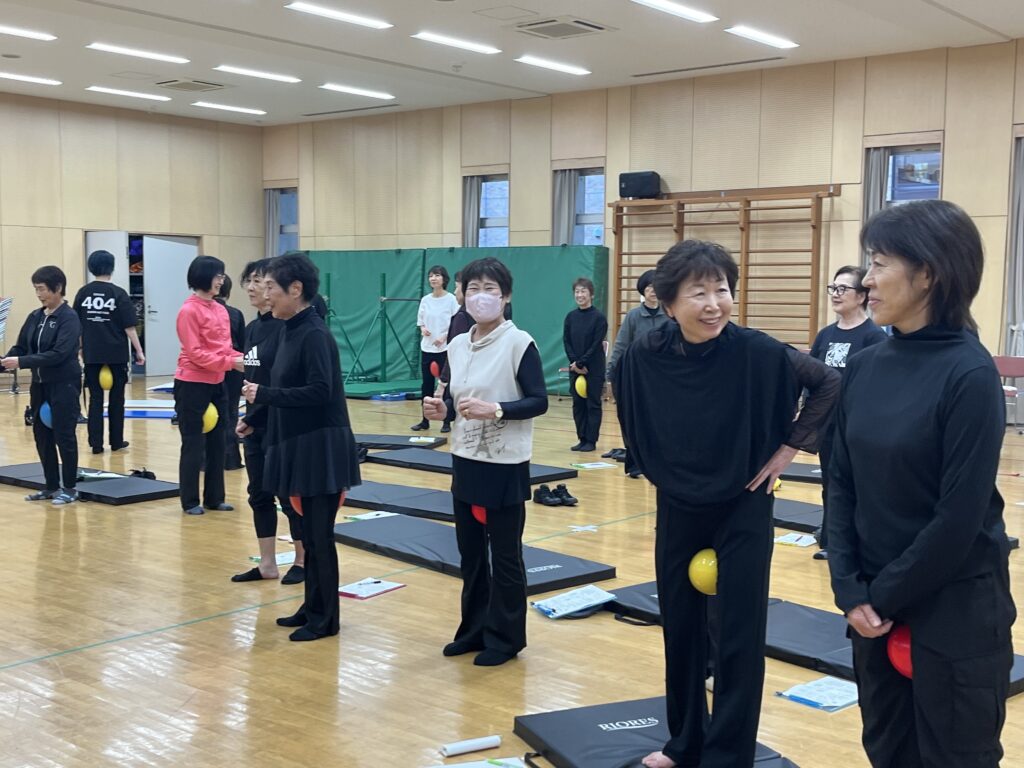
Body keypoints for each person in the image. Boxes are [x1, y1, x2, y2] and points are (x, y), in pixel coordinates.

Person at [614, 240, 840, 768]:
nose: (714, 303)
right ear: (670, 303)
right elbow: (626, 398)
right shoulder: (647, 353)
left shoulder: (759, 351)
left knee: (740, 632)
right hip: (679, 500)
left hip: (745, 500)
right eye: (699, 293)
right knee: (681, 625)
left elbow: (829, 382)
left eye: (722, 290)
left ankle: (729, 753)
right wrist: (653, 462)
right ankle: (684, 741)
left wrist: (788, 448)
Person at [827, 200, 1015, 768]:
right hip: (873, 609)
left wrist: (878, 597)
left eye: (880, 263)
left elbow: (957, 519)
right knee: (888, 751)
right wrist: (848, 587)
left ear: (928, 273)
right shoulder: (865, 365)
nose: (866, 280)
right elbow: (841, 481)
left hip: (954, 609)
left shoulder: (970, 374)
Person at [423, 257, 548, 666]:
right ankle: (473, 630)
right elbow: (458, 402)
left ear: (506, 296)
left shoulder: (520, 343)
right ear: (462, 295)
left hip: (505, 463)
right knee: (471, 553)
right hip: (465, 457)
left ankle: (505, 639)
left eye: (490, 288)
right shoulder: (458, 344)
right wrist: (443, 411)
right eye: (473, 288)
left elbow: (539, 401)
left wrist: (496, 410)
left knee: (505, 556)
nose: (481, 296)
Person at [242, 253, 361, 641]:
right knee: (308, 535)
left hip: (320, 445)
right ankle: (312, 607)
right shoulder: (287, 330)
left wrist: (264, 394)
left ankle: (325, 620)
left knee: (319, 537)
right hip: (294, 441)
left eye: (271, 287)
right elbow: (283, 387)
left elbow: (320, 391)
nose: (265, 294)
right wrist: (256, 415)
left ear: (296, 289)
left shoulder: (314, 333)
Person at [231, 259, 304, 585]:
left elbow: (282, 382)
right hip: (255, 424)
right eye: (248, 281)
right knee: (258, 494)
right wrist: (249, 417)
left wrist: (257, 412)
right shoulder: (252, 328)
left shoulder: (287, 327)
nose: (251, 287)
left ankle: (301, 560)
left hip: (282, 425)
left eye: (259, 281)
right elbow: (253, 376)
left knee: (289, 497)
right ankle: (268, 564)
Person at [808, 266, 887, 561]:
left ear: (862, 296)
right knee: (831, 483)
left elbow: (876, 387)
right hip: (827, 426)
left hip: (856, 427)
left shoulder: (873, 337)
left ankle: (858, 541)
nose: (836, 294)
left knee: (857, 485)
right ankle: (831, 538)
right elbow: (811, 375)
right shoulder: (825, 335)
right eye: (833, 288)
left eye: (843, 289)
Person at [2, 266, 83, 505]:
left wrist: (21, 362)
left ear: (58, 288)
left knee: (64, 435)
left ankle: (70, 488)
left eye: (42, 289)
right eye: (36, 289)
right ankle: (50, 486)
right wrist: (5, 362)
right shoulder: (35, 317)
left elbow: (59, 354)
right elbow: (21, 348)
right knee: (42, 435)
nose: (39, 294)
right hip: (39, 385)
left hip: (64, 384)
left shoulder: (69, 318)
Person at [174, 255, 242, 516]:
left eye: (222, 276)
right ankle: (190, 501)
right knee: (193, 443)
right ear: (203, 277)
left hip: (218, 381)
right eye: (217, 275)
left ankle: (215, 498)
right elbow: (195, 353)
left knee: (218, 441)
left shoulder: (221, 310)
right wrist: (231, 362)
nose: (221, 280)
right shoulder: (189, 311)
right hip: (192, 383)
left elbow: (225, 348)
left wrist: (246, 359)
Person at [73, 250, 145, 455]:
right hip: (116, 354)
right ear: (111, 268)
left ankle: (96, 444)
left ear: (91, 268)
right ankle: (116, 441)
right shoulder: (119, 294)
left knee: (95, 399)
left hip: (93, 354)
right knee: (117, 399)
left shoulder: (83, 293)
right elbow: (129, 327)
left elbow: (77, 326)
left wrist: (80, 348)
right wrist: (139, 351)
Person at [606, 269, 666, 478]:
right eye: (649, 287)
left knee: (658, 422)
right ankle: (634, 464)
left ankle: (658, 462)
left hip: (662, 379)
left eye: (656, 286)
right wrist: (610, 375)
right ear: (643, 291)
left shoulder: (669, 315)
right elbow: (621, 346)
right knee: (634, 421)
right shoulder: (633, 316)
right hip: (636, 378)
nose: (653, 290)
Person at [411, 265, 459, 433]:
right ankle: (425, 420)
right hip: (427, 348)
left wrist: (444, 336)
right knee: (427, 385)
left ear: (444, 279)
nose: (433, 278)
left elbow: (455, 322)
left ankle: (447, 421)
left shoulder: (451, 299)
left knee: (445, 385)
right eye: (431, 276)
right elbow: (420, 321)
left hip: (445, 349)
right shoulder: (425, 300)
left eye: (437, 275)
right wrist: (423, 329)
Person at [563, 277, 607, 452]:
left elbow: (596, 344)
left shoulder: (599, 318)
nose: (580, 295)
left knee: (592, 404)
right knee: (578, 404)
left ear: (591, 295)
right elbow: (566, 341)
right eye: (577, 291)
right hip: (575, 367)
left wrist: (582, 363)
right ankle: (581, 438)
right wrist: (574, 363)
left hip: (593, 368)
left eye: (583, 291)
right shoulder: (570, 317)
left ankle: (591, 440)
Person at [216, 275, 246, 471]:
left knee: (211, 413)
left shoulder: (202, 312)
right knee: (231, 412)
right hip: (233, 367)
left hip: (211, 367)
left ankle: (207, 459)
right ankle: (231, 459)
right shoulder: (235, 314)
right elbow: (242, 345)